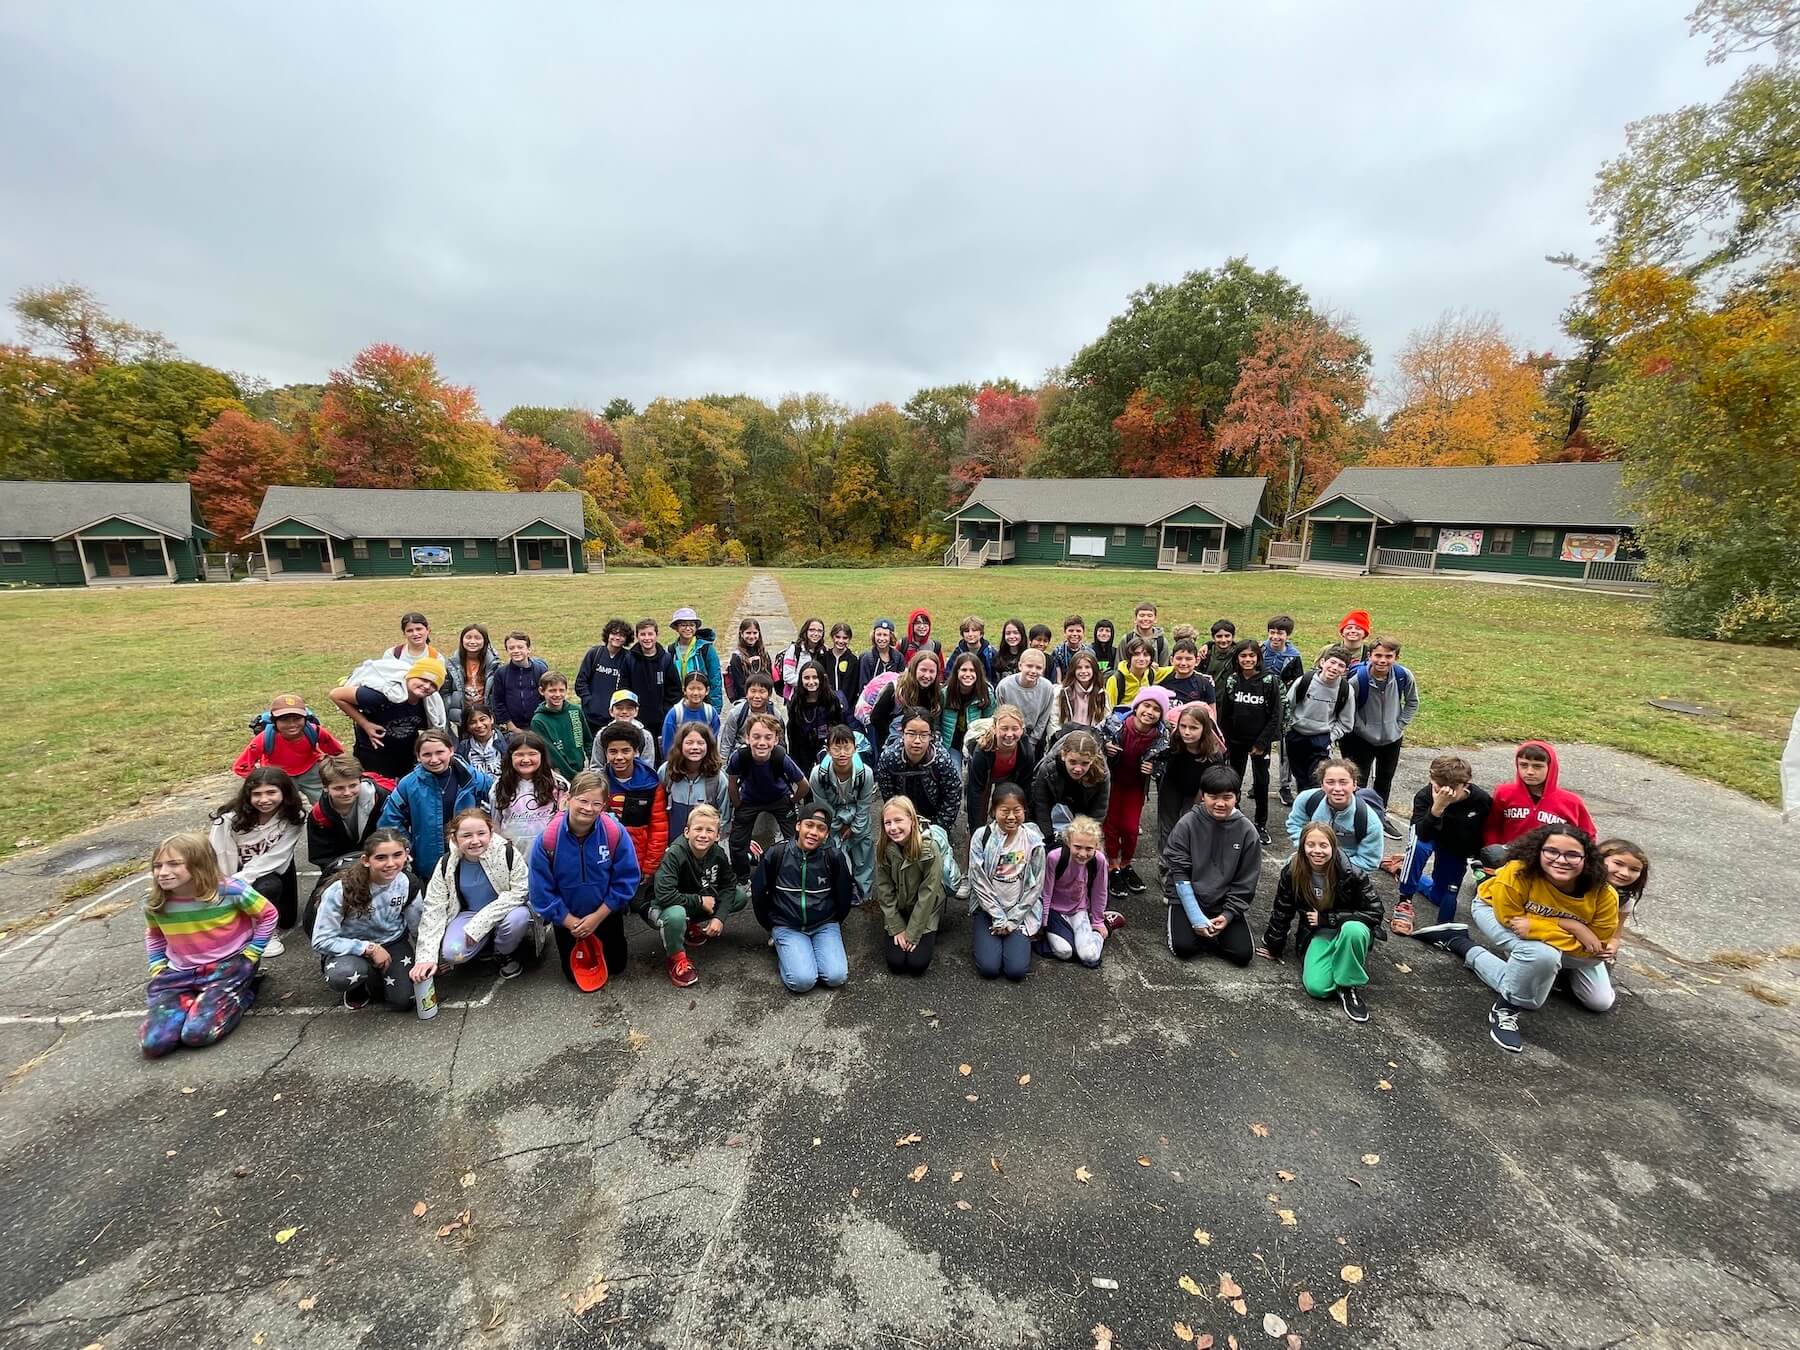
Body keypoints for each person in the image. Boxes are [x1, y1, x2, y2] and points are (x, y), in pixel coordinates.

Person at [1419, 824, 1618, 1053]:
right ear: (1538, 851)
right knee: (1538, 969)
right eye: (1551, 851)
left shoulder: (1603, 892)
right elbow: (1509, 921)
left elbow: (1595, 948)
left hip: (1557, 938)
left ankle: (1464, 943)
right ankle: (1505, 1005)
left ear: (1587, 858)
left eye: (1572, 854)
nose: (1561, 860)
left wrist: (1555, 925)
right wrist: (1573, 928)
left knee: (1598, 1001)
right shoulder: (1517, 872)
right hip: (1493, 911)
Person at [140, 832, 275, 1057]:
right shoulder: (155, 901)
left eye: (174, 864)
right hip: (179, 973)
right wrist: (157, 966)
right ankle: (195, 1000)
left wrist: (253, 952)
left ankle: (244, 992)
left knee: (197, 1034)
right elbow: (154, 935)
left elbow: (268, 914)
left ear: (198, 865)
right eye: (158, 866)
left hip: (227, 967)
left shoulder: (230, 890)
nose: (163, 872)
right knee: (154, 1044)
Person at [1257, 820, 1384, 1022]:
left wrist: (1327, 918)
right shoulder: (1293, 871)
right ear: (1302, 846)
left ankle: (1348, 986)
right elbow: (1282, 909)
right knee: (1317, 987)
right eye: (1311, 845)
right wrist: (1274, 944)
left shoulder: (1352, 873)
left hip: (1350, 928)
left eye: (1323, 845)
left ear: (1333, 847)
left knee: (1353, 931)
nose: (1317, 851)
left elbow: (1375, 912)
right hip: (1319, 932)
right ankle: (1341, 960)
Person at [529, 770, 641, 989]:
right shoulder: (548, 840)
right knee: (572, 976)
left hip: (604, 912)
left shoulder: (613, 832)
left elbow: (627, 878)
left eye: (596, 803)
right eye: (582, 800)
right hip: (568, 917)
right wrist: (569, 921)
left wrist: (598, 917)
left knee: (617, 966)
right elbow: (540, 891)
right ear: (568, 798)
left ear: (604, 806)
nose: (588, 808)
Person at [415, 807, 534, 982]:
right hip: (469, 915)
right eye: (466, 836)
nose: (475, 841)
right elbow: (434, 908)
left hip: (505, 913)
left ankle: (502, 951)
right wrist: (425, 958)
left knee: (518, 918)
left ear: (491, 833)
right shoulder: (447, 864)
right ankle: (484, 943)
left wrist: (480, 926)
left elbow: (521, 891)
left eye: (481, 833)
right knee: (453, 954)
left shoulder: (507, 853)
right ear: (454, 838)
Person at [311, 828, 424, 1010]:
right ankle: (359, 984)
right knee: (343, 975)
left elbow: (418, 926)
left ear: (406, 856)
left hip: (392, 942)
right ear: (366, 860)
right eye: (380, 858)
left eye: (397, 855)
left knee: (404, 1001)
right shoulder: (340, 890)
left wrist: (428, 958)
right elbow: (321, 940)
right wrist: (368, 949)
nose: (390, 863)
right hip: (351, 947)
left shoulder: (408, 883)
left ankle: (378, 978)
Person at [1161, 766, 1262, 966]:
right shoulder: (1187, 823)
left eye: (1227, 797)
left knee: (1242, 955)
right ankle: (1200, 929)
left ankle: (1212, 932)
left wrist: (1228, 914)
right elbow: (1179, 872)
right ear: (1203, 796)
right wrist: (1195, 916)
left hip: (1223, 901)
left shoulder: (1248, 832)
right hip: (1188, 898)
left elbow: (1246, 882)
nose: (1220, 803)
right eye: (1213, 796)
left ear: (1238, 797)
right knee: (1184, 949)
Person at [752, 803, 855, 993]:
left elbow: (844, 896)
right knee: (802, 982)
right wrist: (771, 925)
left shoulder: (833, 857)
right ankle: (782, 945)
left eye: (821, 828)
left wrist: (834, 921)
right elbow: (759, 896)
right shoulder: (777, 854)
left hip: (824, 924)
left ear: (826, 834)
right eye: (809, 825)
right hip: (788, 925)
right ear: (798, 826)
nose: (814, 832)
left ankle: (808, 948)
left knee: (836, 977)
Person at [208, 766, 304, 957]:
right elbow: (217, 853)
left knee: (287, 919)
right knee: (266, 887)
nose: (264, 800)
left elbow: (277, 856)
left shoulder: (294, 817)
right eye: (257, 794)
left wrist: (241, 880)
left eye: (271, 792)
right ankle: (264, 932)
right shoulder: (229, 819)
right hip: (233, 872)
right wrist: (225, 886)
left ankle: (262, 919)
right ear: (247, 795)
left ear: (284, 792)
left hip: (273, 869)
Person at [377, 728, 495, 880]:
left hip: (470, 855)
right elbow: (389, 821)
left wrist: (487, 833)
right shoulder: (408, 785)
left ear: (451, 750)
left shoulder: (471, 777)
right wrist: (408, 847)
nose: (434, 759)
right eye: (427, 754)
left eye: (440, 752)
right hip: (428, 860)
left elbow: (499, 799)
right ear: (418, 757)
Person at [648, 804, 744, 988]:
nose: (703, 835)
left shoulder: (717, 853)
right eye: (698, 829)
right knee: (676, 915)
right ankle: (676, 958)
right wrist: (699, 901)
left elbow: (729, 885)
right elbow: (664, 895)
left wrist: (719, 918)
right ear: (686, 831)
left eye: (709, 830)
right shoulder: (675, 854)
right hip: (664, 906)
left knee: (739, 897)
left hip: (696, 899)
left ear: (717, 836)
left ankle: (689, 925)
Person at [1399, 755, 1493, 935]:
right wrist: (1437, 808)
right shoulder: (1425, 796)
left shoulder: (1481, 800)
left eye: (1451, 790)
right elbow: (1421, 834)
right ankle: (1405, 897)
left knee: (1441, 898)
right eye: (1438, 787)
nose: (1444, 793)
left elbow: (1481, 834)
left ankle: (1403, 871)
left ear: (1466, 784)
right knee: (1418, 847)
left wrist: (1476, 859)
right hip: (1429, 835)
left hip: (1454, 845)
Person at [966, 783, 1045, 981]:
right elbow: (978, 880)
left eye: (1017, 810)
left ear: (1024, 811)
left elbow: (1036, 885)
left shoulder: (1033, 840)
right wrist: (998, 917)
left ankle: (1017, 938)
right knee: (989, 968)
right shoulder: (981, 836)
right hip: (988, 911)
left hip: (1019, 912)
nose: (1011, 817)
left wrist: (1012, 920)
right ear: (994, 811)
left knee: (1016, 971)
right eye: (1005, 811)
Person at [1098, 687, 1170, 895]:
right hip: (1112, 783)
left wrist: (1154, 768)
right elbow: (1095, 740)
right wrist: (1106, 748)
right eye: (1146, 705)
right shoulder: (1116, 725)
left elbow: (1165, 762)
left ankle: (1126, 863)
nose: (1150, 712)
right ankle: (1112, 865)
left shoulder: (1162, 736)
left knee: (1129, 828)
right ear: (1137, 707)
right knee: (1110, 825)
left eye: (1156, 709)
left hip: (1135, 786)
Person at [1343, 637, 1418, 831]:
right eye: (1378, 655)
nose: (1382, 660)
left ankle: (1379, 816)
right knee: (1360, 779)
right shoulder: (1358, 680)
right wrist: (1361, 727)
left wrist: (1400, 724)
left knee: (1385, 779)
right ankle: (1357, 815)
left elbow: (1412, 702)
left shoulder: (1403, 675)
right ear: (1369, 656)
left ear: (1396, 657)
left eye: (1388, 656)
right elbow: (1348, 707)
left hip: (1392, 738)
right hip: (1363, 739)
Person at [1215, 640, 1285, 846]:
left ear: (1258, 658)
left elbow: (1275, 716)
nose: (1247, 660)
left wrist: (1262, 743)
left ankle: (1260, 823)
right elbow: (1225, 714)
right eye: (1243, 656)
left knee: (1262, 783)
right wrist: (1224, 740)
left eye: (1251, 656)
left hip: (1259, 743)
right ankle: (1232, 815)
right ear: (1237, 658)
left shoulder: (1269, 681)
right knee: (1233, 780)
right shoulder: (1232, 680)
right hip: (1236, 741)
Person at [329, 656, 443, 781]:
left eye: (433, 685)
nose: (427, 686)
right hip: (373, 753)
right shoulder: (380, 695)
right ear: (410, 676)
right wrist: (365, 724)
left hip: (405, 754)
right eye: (423, 679)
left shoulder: (429, 707)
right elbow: (336, 695)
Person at [727, 713, 809, 883]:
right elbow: (732, 784)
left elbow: (804, 785)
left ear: (776, 739)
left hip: (780, 798)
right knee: (737, 841)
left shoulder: (781, 757)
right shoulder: (739, 757)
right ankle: (742, 878)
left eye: (768, 737)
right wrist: (738, 804)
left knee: (794, 838)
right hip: (749, 799)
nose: (762, 742)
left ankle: (792, 874)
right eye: (756, 737)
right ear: (747, 738)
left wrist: (792, 800)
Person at [597, 723, 671, 904]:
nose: (619, 757)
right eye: (612, 752)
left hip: (639, 859)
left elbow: (659, 828)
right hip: (607, 859)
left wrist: (649, 865)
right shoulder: (599, 783)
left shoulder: (651, 783)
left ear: (636, 752)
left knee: (639, 904)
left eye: (626, 751)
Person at [307, 755, 391, 907]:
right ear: (325, 788)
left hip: (381, 861)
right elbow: (323, 857)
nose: (347, 792)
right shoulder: (319, 816)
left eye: (352, 785)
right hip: (343, 868)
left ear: (360, 780)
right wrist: (351, 875)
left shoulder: (381, 797)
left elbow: (391, 836)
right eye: (339, 788)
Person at [874, 795, 945, 975]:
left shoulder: (929, 849)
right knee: (896, 963)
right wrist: (897, 927)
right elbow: (884, 889)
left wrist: (912, 933)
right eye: (887, 822)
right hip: (899, 908)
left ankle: (928, 932)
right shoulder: (883, 847)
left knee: (916, 964)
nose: (893, 827)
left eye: (898, 820)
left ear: (912, 820)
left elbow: (928, 894)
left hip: (924, 911)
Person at [342, 612, 448, 732]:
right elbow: (382, 676)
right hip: (391, 703)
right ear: (404, 633)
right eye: (410, 630)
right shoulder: (393, 653)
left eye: (419, 629)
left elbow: (436, 686)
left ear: (428, 630)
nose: (415, 634)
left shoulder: (436, 657)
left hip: (419, 705)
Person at [233, 693, 343, 803]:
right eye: (284, 720)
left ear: (305, 719)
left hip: (311, 771)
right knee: (283, 808)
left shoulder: (315, 731)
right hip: (279, 776)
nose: (292, 724)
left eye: (297, 719)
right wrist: (262, 780)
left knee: (326, 802)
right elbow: (241, 766)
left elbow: (337, 753)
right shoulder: (264, 738)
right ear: (274, 721)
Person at [1484, 740, 1596, 847]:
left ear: (1551, 767)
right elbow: (1492, 827)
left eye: (1537, 766)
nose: (1530, 772)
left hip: (1550, 862)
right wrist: (1493, 850)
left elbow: (1587, 836)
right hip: (1509, 859)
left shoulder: (1571, 802)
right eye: (1523, 765)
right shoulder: (1503, 793)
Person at [810, 724, 876, 901]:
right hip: (833, 818)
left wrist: (854, 828)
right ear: (828, 749)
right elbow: (822, 805)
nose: (842, 753)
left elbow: (864, 805)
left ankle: (864, 892)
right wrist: (838, 827)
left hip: (856, 815)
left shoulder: (866, 774)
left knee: (863, 851)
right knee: (834, 851)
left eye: (847, 747)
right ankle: (840, 888)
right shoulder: (818, 775)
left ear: (855, 748)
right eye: (836, 748)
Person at [1286, 759, 1384, 872]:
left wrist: (1331, 867)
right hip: (1311, 860)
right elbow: (1295, 824)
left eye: (1343, 782)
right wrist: (1308, 849)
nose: (1337, 789)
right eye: (1330, 782)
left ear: (1354, 785)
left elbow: (1368, 861)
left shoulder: (1369, 821)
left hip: (1347, 870)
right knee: (1289, 869)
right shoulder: (1306, 800)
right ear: (1322, 785)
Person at [1038, 815, 1110, 969]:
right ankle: (1067, 934)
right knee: (1064, 952)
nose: (1083, 854)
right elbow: (1046, 891)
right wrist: (1043, 922)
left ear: (1096, 846)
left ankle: (1107, 926)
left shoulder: (1099, 860)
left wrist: (1098, 921)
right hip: (1055, 911)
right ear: (1068, 842)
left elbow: (1100, 891)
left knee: (1089, 956)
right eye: (1077, 847)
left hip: (1078, 909)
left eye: (1089, 848)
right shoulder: (1055, 858)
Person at [1157, 701, 1229, 851]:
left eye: (1193, 728)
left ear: (1205, 729)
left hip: (1197, 792)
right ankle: (1165, 869)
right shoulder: (1172, 742)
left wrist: (1197, 804)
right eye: (1183, 726)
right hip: (1171, 788)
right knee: (1167, 829)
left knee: (1189, 828)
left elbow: (1210, 785)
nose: (1187, 732)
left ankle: (1185, 865)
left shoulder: (1214, 755)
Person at [1283, 645, 1355, 793]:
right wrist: (1289, 728)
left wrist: (1330, 737)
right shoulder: (1305, 681)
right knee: (1301, 777)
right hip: (1296, 735)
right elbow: (1287, 706)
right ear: (1322, 662)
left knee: (1316, 779)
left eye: (1341, 666)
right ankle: (1304, 810)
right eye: (1332, 662)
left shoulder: (1346, 690)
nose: (1335, 668)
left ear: (1345, 671)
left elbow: (1346, 722)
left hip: (1321, 738)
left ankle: (1316, 811)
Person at [875, 709, 962, 830]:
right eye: (911, 734)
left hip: (934, 815)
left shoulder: (941, 761)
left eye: (923, 735)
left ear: (931, 736)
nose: (917, 741)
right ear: (902, 733)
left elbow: (952, 795)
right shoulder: (889, 758)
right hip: (903, 816)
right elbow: (889, 796)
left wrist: (939, 828)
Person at [966, 705, 1038, 837]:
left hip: (1009, 775)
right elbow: (975, 793)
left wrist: (1022, 824)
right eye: (1004, 729)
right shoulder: (982, 751)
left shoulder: (1026, 752)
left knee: (1007, 805)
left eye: (1015, 729)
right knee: (980, 810)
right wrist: (976, 831)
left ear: (1022, 729)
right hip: (985, 773)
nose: (1009, 734)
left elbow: (1024, 790)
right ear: (994, 728)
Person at [1030, 729, 1110, 844]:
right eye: (1073, 762)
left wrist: (1087, 839)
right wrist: (1048, 840)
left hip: (1082, 804)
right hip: (1056, 801)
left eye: (1084, 763)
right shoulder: (1048, 768)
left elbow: (1098, 811)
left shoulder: (1102, 774)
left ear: (1092, 760)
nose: (1078, 769)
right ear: (1063, 755)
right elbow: (1041, 806)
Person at [493, 731, 567, 849]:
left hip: (549, 850)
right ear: (510, 756)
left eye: (532, 754)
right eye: (519, 754)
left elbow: (566, 817)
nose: (526, 759)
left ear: (542, 756)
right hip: (514, 852)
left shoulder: (559, 784)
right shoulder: (499, 786)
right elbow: (495, 821)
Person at [1262, 615, 1306, 807]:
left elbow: (1299, 682)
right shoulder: (1260, 649)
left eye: (1280, 633)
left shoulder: (1294, 657)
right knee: (1261, 747)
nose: (1275, 637)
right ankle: (1259, 782)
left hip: (1283, 707)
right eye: (1272, 632)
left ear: (1288, 635)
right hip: (1260, 704)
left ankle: (1284, 786)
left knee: (1284, 749)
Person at [622, 618, 681, 758]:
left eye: (650, 634)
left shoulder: (665, 659)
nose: (647, 638)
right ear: (637, 636)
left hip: (661, 720)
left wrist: (665, 711)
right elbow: (624, 689)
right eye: (643, 634)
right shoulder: (630, 659)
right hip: (637, 719)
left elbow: (674, 690)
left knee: (662, 756)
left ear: (656, 635)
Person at [661, 722, 729, 841]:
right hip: (671, 844)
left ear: (709, 746)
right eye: (689, 743)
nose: (695, 747)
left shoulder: (718, 779)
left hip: (704, 847)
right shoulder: (667, 772)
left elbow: (724, 817)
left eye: (701, 743)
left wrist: (714, 841)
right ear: (680, 745)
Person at [868, 649, 944, 752]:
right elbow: (876, 718)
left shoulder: (937, 693)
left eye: (931, 671)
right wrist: (898, 735)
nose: (927, 676)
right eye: (923, 670)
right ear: (914, 669)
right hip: (891, 743)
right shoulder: (895, 690)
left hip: (920, 744)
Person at [940, 652, 996, 771]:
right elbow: (937, 722)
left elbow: (991, 722)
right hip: (952, 745)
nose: (968, 674)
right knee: (956, 777)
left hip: (976, 746)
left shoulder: (986, 694)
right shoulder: (945, 694)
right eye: (964, 670)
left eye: (972, 670)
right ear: (956, 672)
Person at [788, 658, 846, 772]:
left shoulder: (832, 699)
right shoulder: (796, 701)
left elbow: (840, 725)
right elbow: (792, 731)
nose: (811, 682)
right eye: (806, 678)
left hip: (826, 746)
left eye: (815, 677)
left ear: (822, 678)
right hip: (803, 748)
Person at [994, 648, 1055, 755]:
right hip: (1009, 733)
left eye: (1038, 668)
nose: (1033, 671)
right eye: (1029, 666)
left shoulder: (1047, 688)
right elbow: (999, 714)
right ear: (1020, 666)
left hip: (1034, 734)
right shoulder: (1004, 686)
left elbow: (1044, 717)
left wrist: (1033, 741)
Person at [575, 618, 634, 728]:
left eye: (621, 635)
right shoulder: (594, 653)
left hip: (614, 718)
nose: (617, 637)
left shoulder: (628, 658)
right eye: (614, 633)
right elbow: (581, 681)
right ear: (607, 635)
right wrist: (589, 701)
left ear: (626, 639)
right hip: (590, 716)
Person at [531, 670, 589, 781]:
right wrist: (572, 775)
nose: (557, 694)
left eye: (561, 690)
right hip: (559, 775)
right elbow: (552, 754)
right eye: (552, 691)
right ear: (542, 691)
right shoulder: (538, 721)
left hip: (582, 771)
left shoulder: (575, 711)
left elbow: (587, 740)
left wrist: (591, 766)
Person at [719, 671, 789, 763]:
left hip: (766, 754)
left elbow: (781, 744)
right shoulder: (736, 713)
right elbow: (726, 744)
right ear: (746, 693)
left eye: (762, 692)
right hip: (741, 757)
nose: (757, 696)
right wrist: (723, 770)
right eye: (753, 691)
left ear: (769, 694)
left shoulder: (775, 715)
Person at [442, 623, 500, 731]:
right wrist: (452, 708)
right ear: (462, 640)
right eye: (468, 637)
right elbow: (446, 691)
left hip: (486, 715)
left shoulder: (494, 664)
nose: (472, 642)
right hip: (463, 715)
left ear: (485, 641)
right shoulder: (452, 664)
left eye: (477, 638)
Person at [668, 607, 724, 713]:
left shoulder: (705, 649)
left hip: (702, 700)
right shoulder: (671, 651)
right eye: (683, 625)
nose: (688, 628)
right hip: (680, 703)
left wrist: (715, 708)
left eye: (691, 625)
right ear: (676, 627)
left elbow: (715, 679)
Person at [492, 631, 548, 733]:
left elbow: (546, 698)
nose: (516, 651)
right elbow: (498, 702)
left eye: (520, 647)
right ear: (507, 650)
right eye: (511, 648)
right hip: (514, 728)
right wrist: (511, 727)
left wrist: (540, 724)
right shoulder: (501, 673)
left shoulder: (540, 670)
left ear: (528, 649)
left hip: (539, 725)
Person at [662, 670, 723, 754]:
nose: (695, 693)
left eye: (700, 689)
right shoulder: (675, 714)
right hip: (679, 762)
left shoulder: (710, 713)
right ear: (684, 690)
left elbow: (714, 744)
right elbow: (668, 746)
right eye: (691, 689)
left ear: (707, 690)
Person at [1598, 839, 1650, 936]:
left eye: (1634, 869)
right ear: (1598, 859)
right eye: (1618, 863)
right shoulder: (1574, 886)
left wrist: (1613, 943)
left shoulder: (1624, 899)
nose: (1625, 873)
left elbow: (1616, 933)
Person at [1053, 648, 1109, 732]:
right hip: (1066, 738)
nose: (1083, 671)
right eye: (1079, 668)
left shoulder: (1101, 693)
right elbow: (1054, 719)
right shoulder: (1062, 692)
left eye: (1087, 667)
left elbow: (1106, 718)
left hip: (1092, 738)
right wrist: (1057, 738)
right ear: (1073, 670)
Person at [595, 688, 656, 765]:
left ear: (636, 711)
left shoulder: (645, 736)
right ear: (611, 711)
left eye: (629, 708)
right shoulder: (601, 734)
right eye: (619, 708)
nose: (624, 712)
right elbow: (596, 766)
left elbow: (648, 766)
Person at [777, 617, 830, 701]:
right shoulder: (794, 650)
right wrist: (808, 684)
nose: (816, 634)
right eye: (812, 630)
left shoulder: (823, 651)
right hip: (796, 697)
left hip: (816, 697)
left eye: (820, 631)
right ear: (805, 631)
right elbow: (787, 676)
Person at [1103, 636, 1162, 710]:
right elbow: (1110, 709)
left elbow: (1173, 669)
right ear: (1129, 657)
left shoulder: (1151, 673)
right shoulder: (1116, 680)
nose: (1141, 659)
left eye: (1146, 655)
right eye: (1136, 654)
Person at [455, 701, 508, 778]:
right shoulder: (464, 747)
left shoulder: (507, 741)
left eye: (482, 719)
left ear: (491, 719)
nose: (479, 725)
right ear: (467, 726)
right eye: (473, 722)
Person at [1158, 639, 1215, 707]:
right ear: (1171, 660)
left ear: (1197, 661)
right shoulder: (1162, 679)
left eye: (1188, 659)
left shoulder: (1204, 684)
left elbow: (1212, 712)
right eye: (1179, 658)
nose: (1183, 663)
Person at [726, 618, 772, 703]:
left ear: (759, 634)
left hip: (763, 699)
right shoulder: (737, 657)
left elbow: (769, 678)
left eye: (755, 633)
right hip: (744, 700)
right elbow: (739, 684)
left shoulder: (764, 654)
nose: (751, 636)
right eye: (748, 633)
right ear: (741, 634)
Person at [858, 618, 905, 696]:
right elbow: (863, 686)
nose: (882, 639)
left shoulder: (898, 658)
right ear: (874, 636)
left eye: (885, 635)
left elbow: (901, 683)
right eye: (879, 634)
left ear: (891, 637)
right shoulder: (867, 658)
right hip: (871, 699)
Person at [823, 621, 862, 709]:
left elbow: (853, 687)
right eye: (837, 637)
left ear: (849, 639)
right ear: (832, 637)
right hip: (827, 704)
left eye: (845, 638)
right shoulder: (825, 657)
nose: (841, 641)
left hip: (846, 706)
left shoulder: (853, 660)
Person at [949, 615, 997, 683]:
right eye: (966, 631)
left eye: (974, 631)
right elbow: (949, 674)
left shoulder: (990, 653)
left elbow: (995, 677)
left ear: (981, 634)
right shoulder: (958, 652)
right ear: (962, 634)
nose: (970, 634)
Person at [1046, 615, 1086, 684]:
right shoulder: (1058, 652)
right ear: (1065, 632)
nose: (1074, 634)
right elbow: (1058, 679)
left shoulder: (1088, 652)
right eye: (1071, 631)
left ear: (1083, 633)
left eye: (1078, 631)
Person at [1129, 601, 1168, 665]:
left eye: (1149, 616)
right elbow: (1119, 666)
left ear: (1155, 619)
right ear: (1135, 619)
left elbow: (1164, 668)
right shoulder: (1128, 639)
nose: (1145, 619)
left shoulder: (1162, 642)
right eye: (1142, 615)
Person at [1201, 619, 1238, 684]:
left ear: (1233, 636)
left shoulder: (1239, 654)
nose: (1223, 640)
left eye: (1227, 636)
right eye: (1219, 636)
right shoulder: (1205, 655)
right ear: (1213, 637)